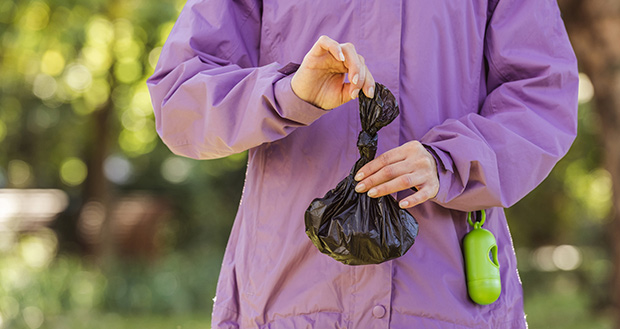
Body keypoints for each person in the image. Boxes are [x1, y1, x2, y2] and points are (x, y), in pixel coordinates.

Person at [147, 0, 578, 328]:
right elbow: (179, 97)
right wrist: (289, 94)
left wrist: (449, 160)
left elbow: (543, 95)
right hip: (288, 296)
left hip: (446, 300)